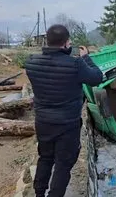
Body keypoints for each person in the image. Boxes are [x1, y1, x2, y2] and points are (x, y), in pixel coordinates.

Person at [25, 24, 103, 197]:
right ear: (67, 43)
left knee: (45, 158)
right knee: (63, 164)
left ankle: (39, 194)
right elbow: (97, 78)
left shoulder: (31, 63)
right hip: (67, 124)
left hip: (43, 122)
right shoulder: (76, 64)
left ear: (47, 40)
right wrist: (86, 58)